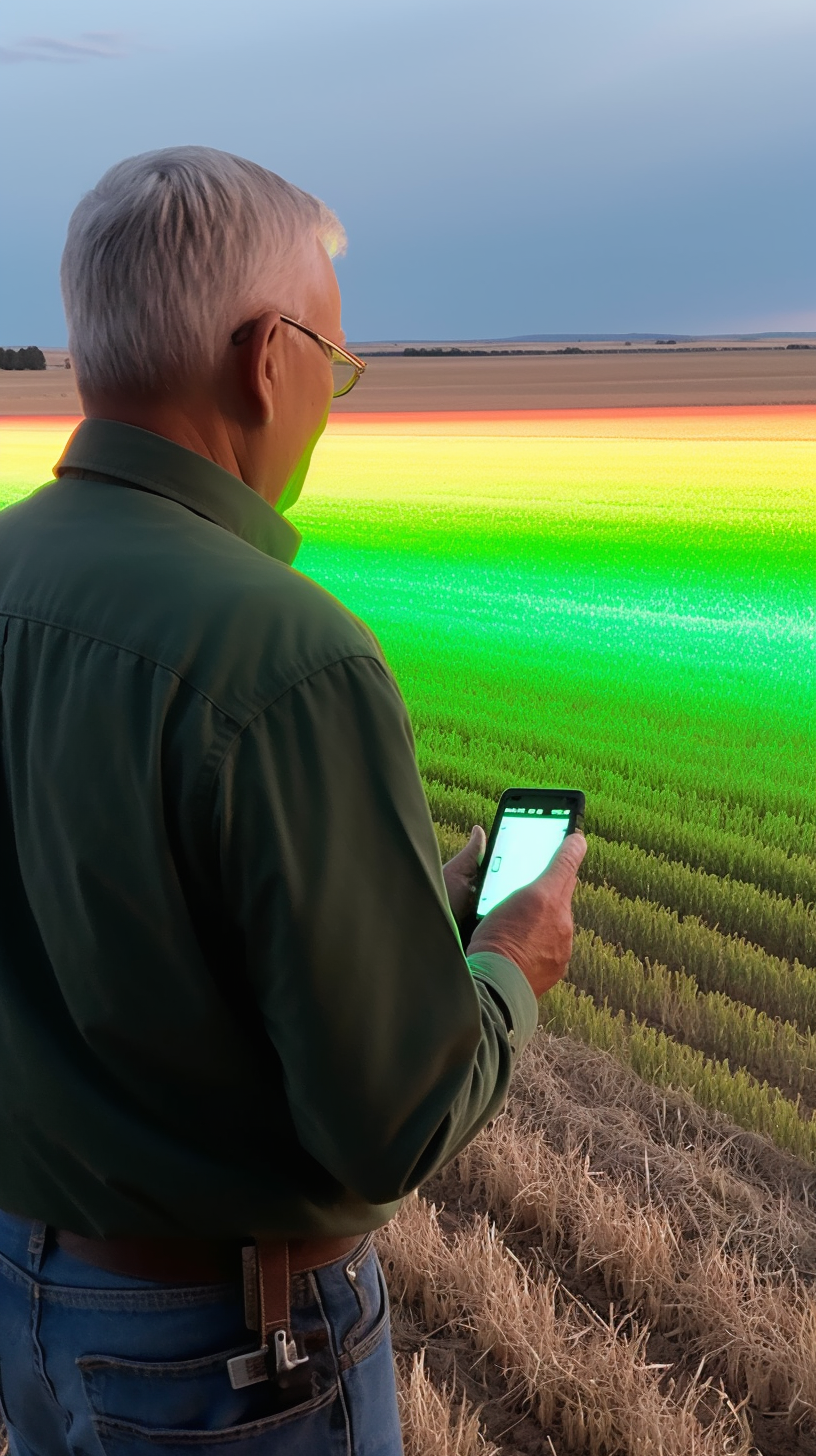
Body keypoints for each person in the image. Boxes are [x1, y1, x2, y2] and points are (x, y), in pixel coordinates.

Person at [0, 147, 587, 1455]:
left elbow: (117, 924)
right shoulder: (284, 652)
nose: (334, 397)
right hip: (225, 1350)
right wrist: (509, 957)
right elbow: (391, 1122)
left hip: (29, 1297)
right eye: (339, 359)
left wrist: (399, 916)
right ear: (267, 355)